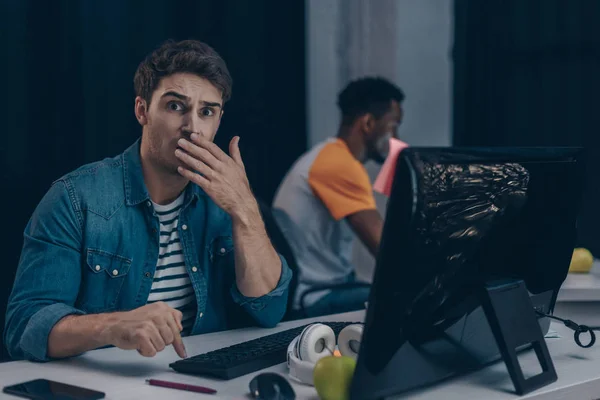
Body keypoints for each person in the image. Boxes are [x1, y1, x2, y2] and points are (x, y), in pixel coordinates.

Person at [4, 39, 291, 362]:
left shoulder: (226, 199)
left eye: (206, 112)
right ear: (142, 110)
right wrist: (112, 326)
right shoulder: (75, 198)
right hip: (105, 384)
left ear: (219, 121)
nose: (192, 128)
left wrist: (245, 209)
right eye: (175, 106)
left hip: (204, 381)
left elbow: (269, 309)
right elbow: (24, 327)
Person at [272, 77, 404, 317]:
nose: (396, 137)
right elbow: (388, 251)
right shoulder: (339, 165)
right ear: (368, 123)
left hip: (324, 286)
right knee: (406, 302)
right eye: (393, 125)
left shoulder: (328, 156)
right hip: (314, 297)